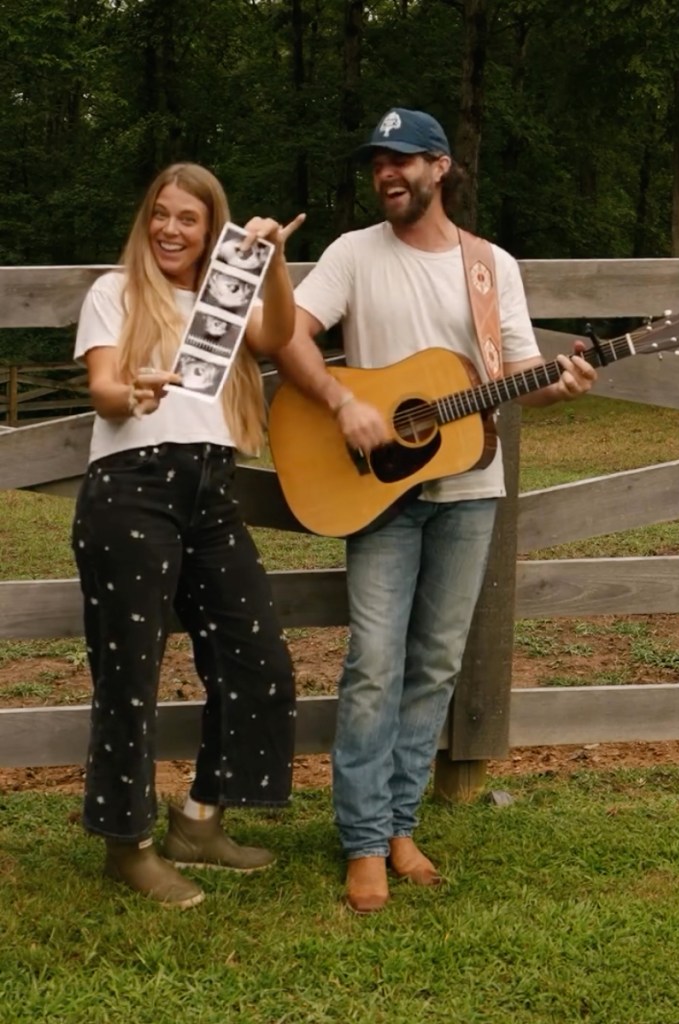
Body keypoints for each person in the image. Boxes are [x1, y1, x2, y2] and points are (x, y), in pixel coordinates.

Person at [273, 108, 597, 914]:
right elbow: (287, 337)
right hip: (377, 491)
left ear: (440, 167)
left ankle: (398, 826)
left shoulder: (491, 267)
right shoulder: (353, 253)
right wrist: (342, 400)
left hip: (468, 491)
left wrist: (557, 383)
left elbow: (520, 372)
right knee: (373, 666)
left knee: (435, 668)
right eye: (378, 162)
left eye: (402, 160)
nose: (387, 173)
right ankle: (359, 842)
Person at [71, 162, 305, 909]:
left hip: (211, 492)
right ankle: (126, 844)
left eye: (189, 219)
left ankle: (200, 820)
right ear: (146, 220)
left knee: (259, 660)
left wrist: (269, 262)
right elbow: (104, 385)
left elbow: (278, 333)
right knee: (129, 675)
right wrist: (130, 391)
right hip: (130, 489)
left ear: (211, 230)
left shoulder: (223, 298)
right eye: (160, 215)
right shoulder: (115, 292)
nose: (171, 229)